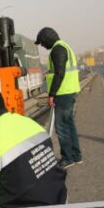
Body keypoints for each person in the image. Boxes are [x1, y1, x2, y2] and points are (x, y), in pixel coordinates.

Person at [34, 26, 83, 169]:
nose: (43, 46)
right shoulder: (65, 46)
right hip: (69, 91)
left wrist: (52, 94)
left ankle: (67, 158)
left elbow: (59, 73)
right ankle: (76, 155)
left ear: (48, 38)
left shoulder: (58, 49)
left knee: (61, 127)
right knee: (69, 125)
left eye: (42, 42)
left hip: (62, 93)